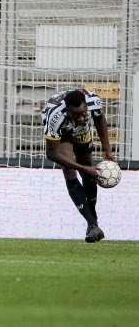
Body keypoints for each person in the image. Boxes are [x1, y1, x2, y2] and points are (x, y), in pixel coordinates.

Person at [41, 89, 113, 242]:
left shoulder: (93, 101)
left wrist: (106, 149)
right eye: (76, 115)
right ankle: (93, 225)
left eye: (83, 113)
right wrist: (83, 168)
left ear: (86, 106)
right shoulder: (55, 116)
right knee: (69, 169)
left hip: (81, 131)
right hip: (62, 131)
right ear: (67, 110)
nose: (80, 117)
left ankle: (92, 221)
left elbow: (99, 119)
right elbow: (52, 154)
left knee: (88, 168)